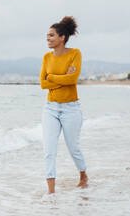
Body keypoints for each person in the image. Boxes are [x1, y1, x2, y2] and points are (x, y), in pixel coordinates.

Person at [40, 16, 88, 194]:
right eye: (47, 36)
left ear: (62, 38)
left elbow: (73, 79)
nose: (48, 39)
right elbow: (43, 84)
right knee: (49, 150)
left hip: (71, 108)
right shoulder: (46, 57)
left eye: (51, 35)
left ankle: (83, 174)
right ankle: (51, 192)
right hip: (50, 108)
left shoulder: (75, 53)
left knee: (73, 148)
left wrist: (52, 77)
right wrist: (61, 79)